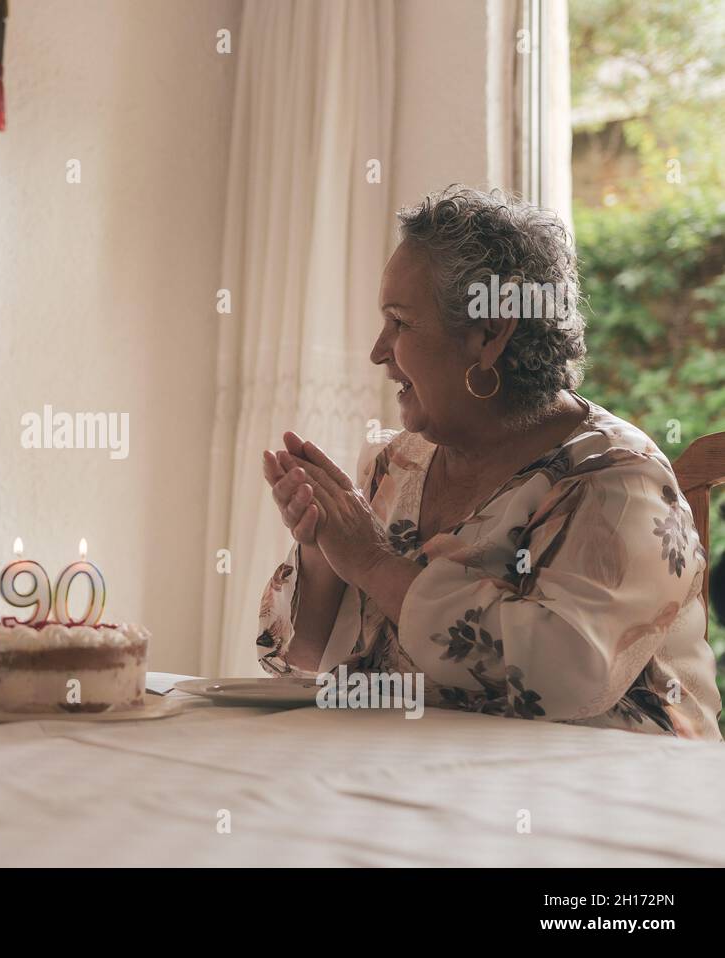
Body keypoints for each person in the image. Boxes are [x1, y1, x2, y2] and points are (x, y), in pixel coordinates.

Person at [257, 186, 721, 739]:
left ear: (489, 334)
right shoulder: (396, 462)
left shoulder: (618, 482)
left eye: (400, 323)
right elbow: (300, 658)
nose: (379, 351)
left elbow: (566, 676)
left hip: (604, 800)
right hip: (411, 777)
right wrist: (324, 545)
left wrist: (376, 564)